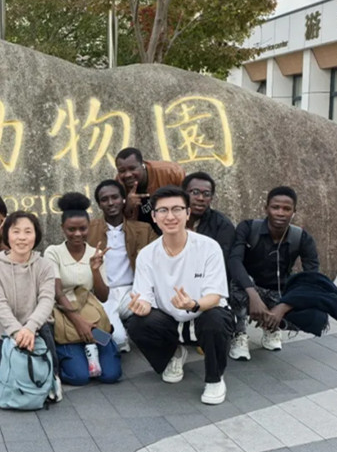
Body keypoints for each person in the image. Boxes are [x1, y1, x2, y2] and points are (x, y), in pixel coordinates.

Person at [126, 186, 234, 405]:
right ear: (154, 217)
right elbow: (144, 297)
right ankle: (172, 353)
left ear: (187, 213)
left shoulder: (208, 247)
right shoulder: (147, 255)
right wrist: (141, 307)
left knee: (215, 319)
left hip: (203, 313)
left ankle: (214, 379)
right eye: (163, 211)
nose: (170, 216)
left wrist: (193, 304)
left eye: (177, 209)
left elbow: (215, 296)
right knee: (137, 323)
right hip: (170, 320)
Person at [228, 186, 320, 359]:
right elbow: (234, 261)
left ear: (294, 212)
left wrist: (282, 308)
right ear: (266, 208)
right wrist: (254, 297)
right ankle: (239, 334)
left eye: (287, 209)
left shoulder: (302, 238)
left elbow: (312, 277)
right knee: (237, 283)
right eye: (275, 207)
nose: (280, 213)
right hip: (248, 288)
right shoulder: (248, 228)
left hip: (278, 292)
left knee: (313, 308)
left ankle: (272, 327)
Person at [44, 193, 122, 386]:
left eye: (82, 229)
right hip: (66, 316)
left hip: (91, 313)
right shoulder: (53, 252)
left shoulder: (94, 253)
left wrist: (95, 270)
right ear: (63, 228)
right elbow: (57, 292)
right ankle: (68, 355)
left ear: (89, 227)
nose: (77, 234)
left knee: (111, 375)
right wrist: (79, 323)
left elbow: (103, 297)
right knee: (79, 377)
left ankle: (98, 348)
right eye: (71, 229)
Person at [0, 211, 62, 401]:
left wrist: (29, 327)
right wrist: (17, 331)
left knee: (42, 373)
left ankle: (52, 380)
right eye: (16, 231)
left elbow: (47, 299)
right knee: (3, 380)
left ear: (35, 235)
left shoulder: (44, 265)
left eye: (28, 231)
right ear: (7, 235)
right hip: (5, 332)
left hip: (37, 329)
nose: (22, 237)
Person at [87, 180, 158, 352]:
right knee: (118, 343)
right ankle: (116, 335)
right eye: (105, 199)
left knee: (158, 314)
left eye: (115, 197)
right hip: (104, 294)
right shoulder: (89, 229)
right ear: (99, 204)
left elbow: (160, 257)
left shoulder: (143, 229)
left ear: (123, 200)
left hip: (133, 292)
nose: (110, 203)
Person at [115, 147, 185, 233]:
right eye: (122, 171)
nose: (127, 175)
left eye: (132, 168)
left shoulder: (171, 172)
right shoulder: (119, 185)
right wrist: (128, 207)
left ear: (142, 165)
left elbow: (188, 202)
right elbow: (117, 222)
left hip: (172, 223)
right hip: (144, 233)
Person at [182, 172, 236, 261]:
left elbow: (221, 261)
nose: (200, 198)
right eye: (195, 192)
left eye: (206, 194)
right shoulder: (171, 219)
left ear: (211, 198)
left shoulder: (222, 225)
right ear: (183, 194)